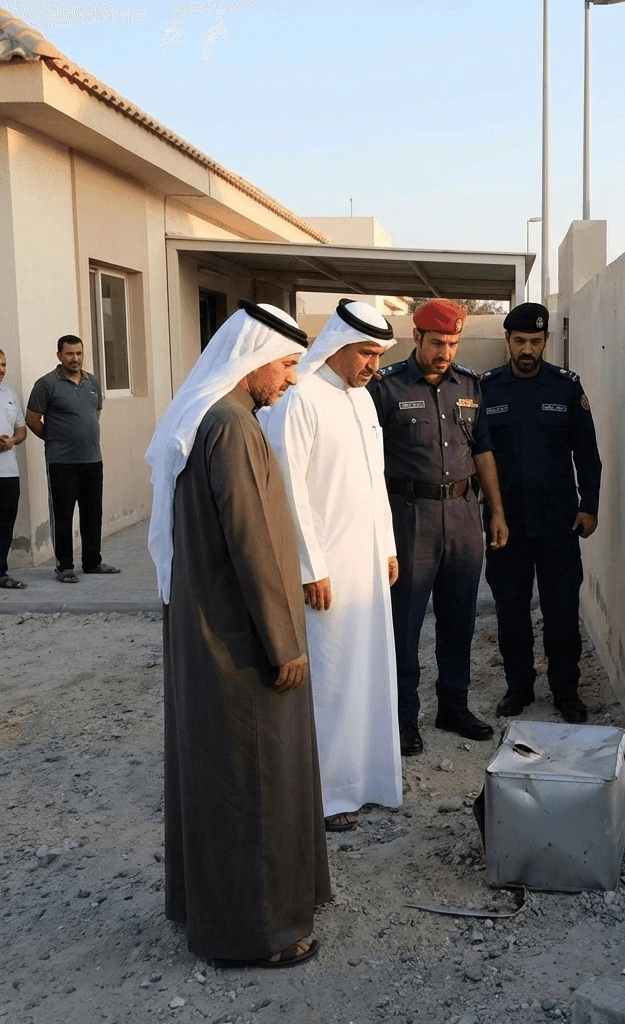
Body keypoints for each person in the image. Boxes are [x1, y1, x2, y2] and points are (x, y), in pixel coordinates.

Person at [146, 300, 330, 967]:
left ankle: (214, 910)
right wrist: (283, 643)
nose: (291, 378)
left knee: (220, 774)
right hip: (239, 641)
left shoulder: (215, 416)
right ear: (252, 359)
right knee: (254, 781)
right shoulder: (231, 426)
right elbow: (252, 545)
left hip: (210, 627)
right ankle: (256, 935)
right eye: (285, 364)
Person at [263, 300, 402, 833]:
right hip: (326, 571)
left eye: (379, 354)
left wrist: (387, 545)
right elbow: (289, 488)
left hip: (366, 564)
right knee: (333, 678)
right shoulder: (301, 398)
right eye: (365, 353)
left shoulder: (363, 399)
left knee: (368, 673)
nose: (373, 365)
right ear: (338, 346)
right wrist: (309, 566)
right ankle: (327, 794)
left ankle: (368, 779)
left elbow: (374, 482)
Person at [367, 298, 509, 757]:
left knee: (459, 619)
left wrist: (497, 512)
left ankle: (453, 706)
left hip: (463, 515)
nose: (444, 353)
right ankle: (403, 718)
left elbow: (482, 449)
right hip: (409, 517)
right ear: (416, 337)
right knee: (405, 623)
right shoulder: (385, 387)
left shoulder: (470, 385)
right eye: (436, 343)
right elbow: (366, 460)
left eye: (452, 343)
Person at [480, 303, 602, 724]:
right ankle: (519, 687)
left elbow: (587, 454)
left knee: (562, 612)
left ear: (545, 340)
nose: (527, 349)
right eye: (520, 341)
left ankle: (566, 691)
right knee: (511, 610)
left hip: (557, 524)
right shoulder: (488, 389)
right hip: (506, 526)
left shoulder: (566, 388)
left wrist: (590, 506)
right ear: (508, 341)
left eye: (535, 341)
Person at [25, 335, 119, 582]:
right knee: (63, 515)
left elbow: (95, 413)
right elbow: (32, 419)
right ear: (59, 355)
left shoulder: (92, 382)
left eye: (79, 353)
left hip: (92, 459)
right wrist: (54, 439)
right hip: (61, 462)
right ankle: (64, 567)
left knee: (92, 513)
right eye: (69, 354)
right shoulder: (46, 384)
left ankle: (92, 562)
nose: (75, 358)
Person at [0, 349, 28, 589]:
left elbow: (21, 429)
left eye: (3, 365)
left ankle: (1, 572)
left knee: (5, 526)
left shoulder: (10, 395)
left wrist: (13, 441)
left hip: (9, 472)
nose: (1, 370)